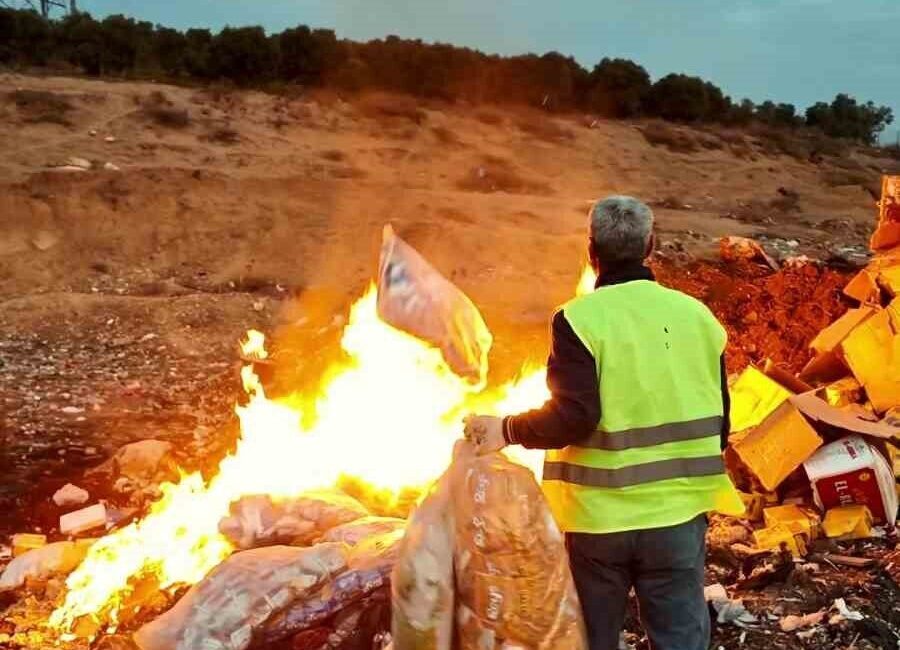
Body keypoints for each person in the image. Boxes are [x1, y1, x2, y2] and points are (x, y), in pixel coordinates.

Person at [464, 196, 744, 650]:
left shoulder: (577, 319)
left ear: (591, 251)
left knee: (592, 637)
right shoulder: (697, 317)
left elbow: (575, 416)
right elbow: (721, 418)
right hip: (677, 515)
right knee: (680, 638)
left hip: (599, 522)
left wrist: (506, 430)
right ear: (651, 245)